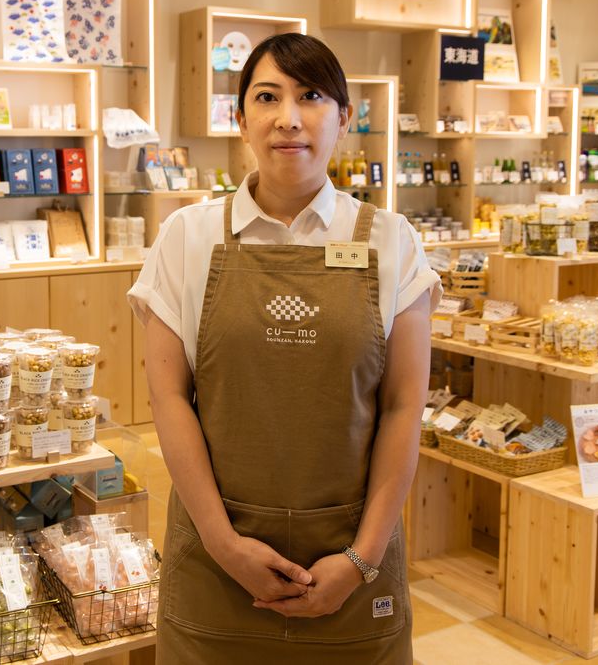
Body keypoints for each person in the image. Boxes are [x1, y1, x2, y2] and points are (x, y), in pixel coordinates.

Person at [128, 33, 439, 662]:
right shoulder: (185, 238)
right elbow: (169, 399)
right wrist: (224, 545)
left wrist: (363, 557)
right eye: (267, 97)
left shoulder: (393, 242)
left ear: (344, 119)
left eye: (312, 96)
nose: (288, 118)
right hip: (217, 560)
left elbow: (405, 406)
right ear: (240, 119)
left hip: (352, 555)